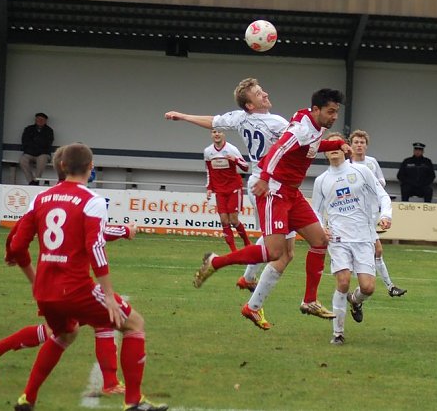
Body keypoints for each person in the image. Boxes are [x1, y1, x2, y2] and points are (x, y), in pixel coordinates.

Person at [6, 143, 167, 411]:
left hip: (46, 291)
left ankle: (27, 399)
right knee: (134, 323)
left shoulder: (40, 198)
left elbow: (17, 248)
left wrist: (36, 283)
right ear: (91, 168)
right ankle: (134, 402)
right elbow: (95, 247)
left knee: (64, 334)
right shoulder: (91, 201)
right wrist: (108, 296)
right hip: (76, 288)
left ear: (62, 166)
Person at [166, 77, 328, 329]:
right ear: (250, 105)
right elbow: (298, 145)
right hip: (270, 183)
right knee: (279, 252)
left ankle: (251, 293)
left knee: (285, 252)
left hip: (264, 181)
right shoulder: (277, 123)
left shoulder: (240, 118)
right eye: (259, 93)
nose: (265, 94)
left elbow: (213, 121)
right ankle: (239, 281)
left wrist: (184, 116)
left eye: (262, 90)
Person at [312, 133, 393, 345]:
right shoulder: (321, 181)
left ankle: (355, 301)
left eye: (338, 144)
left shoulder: (362, 171)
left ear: (345, 148)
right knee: (344, 281)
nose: (334, 148)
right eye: (330, 145)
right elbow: (316, 211)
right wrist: (322, 229)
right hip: (338, 239)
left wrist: (386, 215)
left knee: (367, 288)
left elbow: (382, 195)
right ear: (325, 151)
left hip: (364, 237)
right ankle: (337, 333)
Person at [349, 129, 406, 297]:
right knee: (376, 250)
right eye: (356, 142)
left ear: (366, 146)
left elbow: (381, 182)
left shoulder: (372, 163)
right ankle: (388, 286)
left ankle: (369, 286)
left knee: (373, 251)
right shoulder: (347, 165)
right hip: (354, 215)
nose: (359, 145)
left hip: (371, 214)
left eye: (362, 142)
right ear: (351, 145)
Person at [204, 129, 251, 252]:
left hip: (234, 188)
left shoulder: (232, 149)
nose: (217, 134)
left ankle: (247, 243)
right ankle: (234, 252)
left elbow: (246, 167)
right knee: (224, 220)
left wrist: (234, 160)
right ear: (211, 135)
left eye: (219, 132)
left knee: (234, 220)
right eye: (214, 132)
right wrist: (209, 188)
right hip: (220, 190)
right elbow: (209, 171)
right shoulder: (208, 152)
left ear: (223, 134)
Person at [20, 112, 54, 185]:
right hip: (30, 152)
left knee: (42, 158)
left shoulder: (49, 131)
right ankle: (31, 181)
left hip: (43, 153)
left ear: (45, 121)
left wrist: (35, 145)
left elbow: (47, 144)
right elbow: (25, 141)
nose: (40, 121)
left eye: (42, 119)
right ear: (35, 120)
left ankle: (37, 179)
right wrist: (34, 146)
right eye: (38, 119)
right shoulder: (28, 129)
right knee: (23, 160)